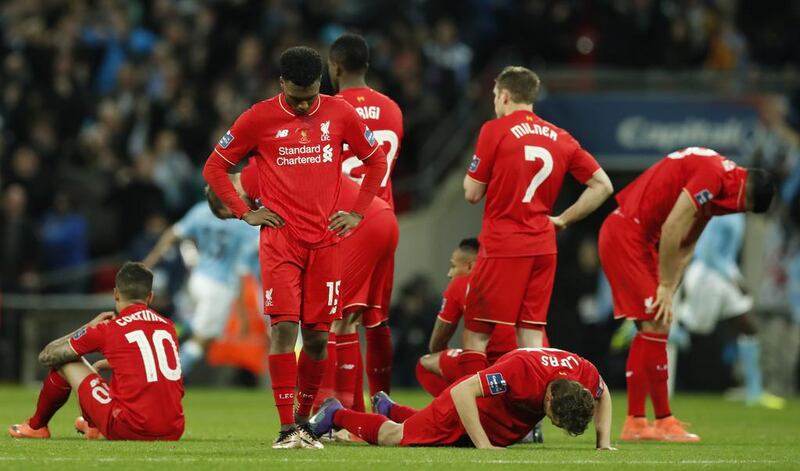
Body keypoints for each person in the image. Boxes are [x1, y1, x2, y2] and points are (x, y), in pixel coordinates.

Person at [202, 46, 387, 449]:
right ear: (281, 83)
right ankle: (286, 428)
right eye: (297, 97)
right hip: (281, 240)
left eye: (311, 95)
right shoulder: (258, 117)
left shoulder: (340, 113)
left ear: (321, 81)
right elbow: (214, 167)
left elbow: (376, 161)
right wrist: (242, 211)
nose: (305, 105)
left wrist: (356, 212)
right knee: (284, 329)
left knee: (318, 337)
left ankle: (304, 423)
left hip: (328, 242)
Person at [598, 146, 776, 442]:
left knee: (654, 325)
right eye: (744, 208)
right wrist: (665, 286)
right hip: (628, 235)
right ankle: (663, 421)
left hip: (636, 238)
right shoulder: (714, 175)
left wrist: (671, 286)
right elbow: (671, 228)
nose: (737, 211)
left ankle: (636, 423)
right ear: (746, 195)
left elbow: (686, 246)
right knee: (657, 324)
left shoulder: (720, 188)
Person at [206, 160, 397, 412]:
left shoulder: (256, 178)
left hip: (357, 225)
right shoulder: (264, 170)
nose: (241, 215)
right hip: (380, 218)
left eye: (233, 211)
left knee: (326, 321)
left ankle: (325, 412)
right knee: (350, 320)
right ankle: (352, 413)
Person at [460, 66, 613, 377]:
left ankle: (469, 416)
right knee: (531, 335)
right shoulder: (561, 137)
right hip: (543, 244)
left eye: (494, 96)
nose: (494, 103)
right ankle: (533, 420)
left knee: (477, 333)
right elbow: (603, 186)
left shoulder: (495, 130)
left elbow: (472, 193)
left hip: (503, 242)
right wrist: (563, 220)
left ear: (504, 96)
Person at [9, 262, 184, 440]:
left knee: (66, 361)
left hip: (129, 428)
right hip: (173, 430)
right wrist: (111, 363)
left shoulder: (109, 328)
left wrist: (87, 327)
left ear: (115, 293)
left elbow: (47, 356)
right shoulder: (168, 326)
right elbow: (150, 363)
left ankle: (36, 426)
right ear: (150, 297)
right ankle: (92, 425)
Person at [308, 348, 614, 450]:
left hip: (501, 421)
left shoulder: (585, 373)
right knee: (395, 437)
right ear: (548, 398)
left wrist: (603, 443)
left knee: (437, 438)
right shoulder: (521, 373)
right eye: (553, 417)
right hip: (469, 408)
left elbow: (605, 394)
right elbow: (462, 391)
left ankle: (391, 408)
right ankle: (335, 414)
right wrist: (484, 446)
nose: (551, 422)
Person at [328, 32, 404, 399]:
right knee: (377, 320)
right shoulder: (392, 108)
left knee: (341, 321)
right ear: (367, 65)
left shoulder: (329, 109)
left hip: (349, 220)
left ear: (335, 67)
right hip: (385, 217)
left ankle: (348, 415)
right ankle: (382, 404)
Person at [670, 214, 785, 409]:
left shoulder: (738, 214)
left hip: (723, 278)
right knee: (695, 335)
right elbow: (708, 253)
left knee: (748, 326)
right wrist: (735, 278)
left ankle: (754, 392)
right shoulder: (723, 214)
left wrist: (734, 277)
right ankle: (645, 330)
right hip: (708, 278)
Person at [142, 194, 259, 377]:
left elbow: (173, 234)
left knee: (191, 326)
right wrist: (242, 312)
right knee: (202, 339)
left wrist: (149, 261)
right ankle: (168, 377)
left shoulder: (201, 211)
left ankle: (175, 331)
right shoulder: (242, 221)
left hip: (197, 279)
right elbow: (243, 267)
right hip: (220, 286)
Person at [416, 238, 516, 397]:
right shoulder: (514, 279)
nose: (449, 274)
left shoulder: (461, 284)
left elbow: (439, 338)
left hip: (490, 367)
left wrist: (445, 355)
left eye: (453, 266)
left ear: (470, 266)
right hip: (527, 366)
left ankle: (456, 413)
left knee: (424, 364)